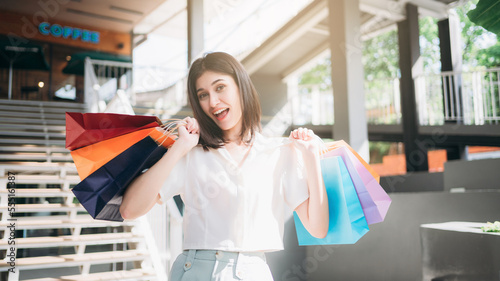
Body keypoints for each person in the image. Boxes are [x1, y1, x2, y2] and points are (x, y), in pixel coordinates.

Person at [120, 52, 329, 281]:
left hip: (253, 272)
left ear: (241, 86)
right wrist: (179, 148)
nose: (212, 102)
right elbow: (129, 210)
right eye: (203, 95)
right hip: (196, 272)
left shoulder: (278, 153)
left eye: (220, 88)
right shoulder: (192, 153)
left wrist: (310, 159)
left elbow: (318, 229)